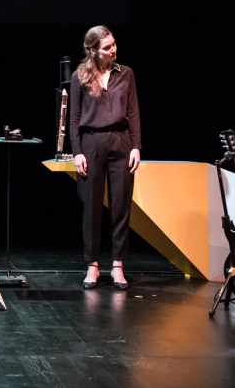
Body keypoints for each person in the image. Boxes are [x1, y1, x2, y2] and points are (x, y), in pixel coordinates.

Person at [69, 25, 141, 290]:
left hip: (121, 142)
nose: (114, 49)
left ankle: (118, 265)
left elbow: (133, 113)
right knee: (91, 207)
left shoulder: (126, 74)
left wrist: (136, 147)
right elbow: (74, 118)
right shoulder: (80, 76)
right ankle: (92, 265)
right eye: (107, 47)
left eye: (114, 44)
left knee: (121, 206)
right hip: (92, 143)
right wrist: (77, 152)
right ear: (93, 51)